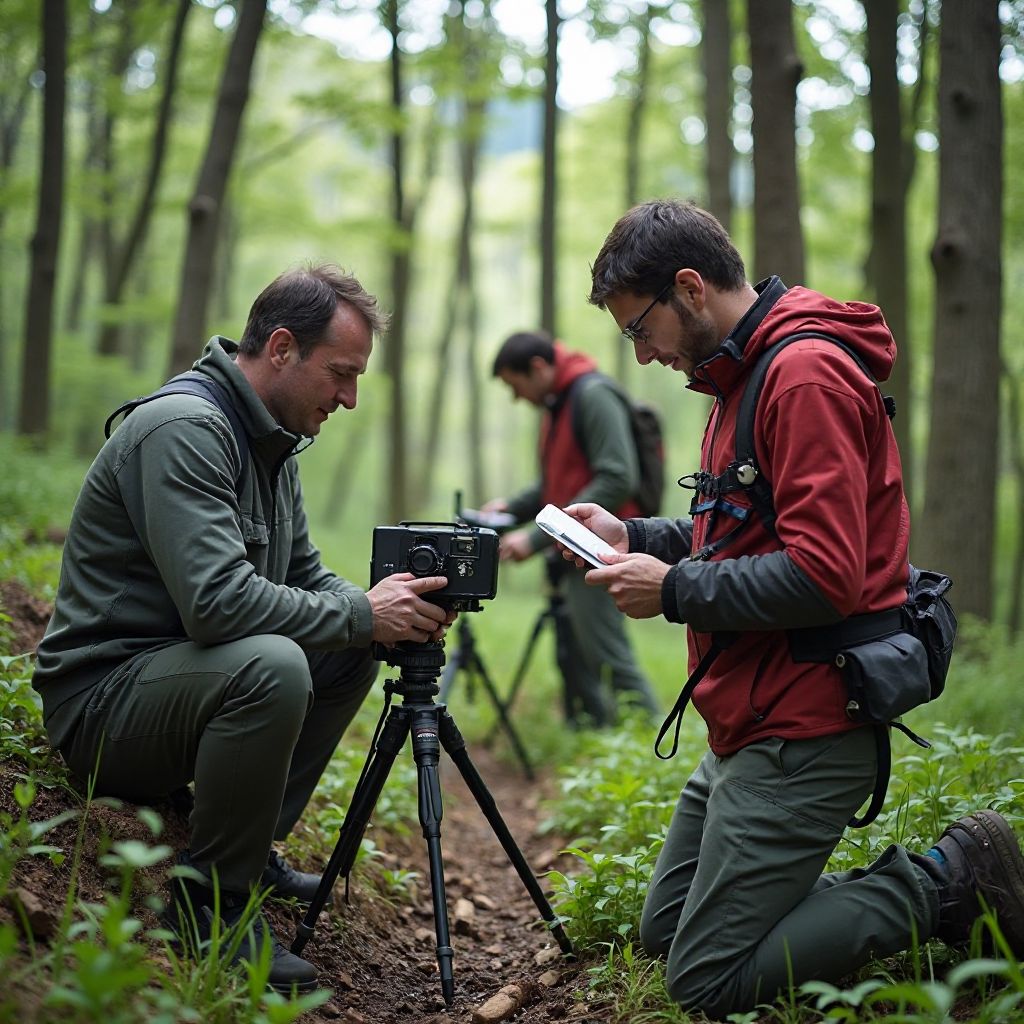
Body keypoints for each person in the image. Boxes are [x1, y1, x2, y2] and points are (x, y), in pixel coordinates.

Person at [557, 199, 1024, 1016]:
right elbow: (738, 531)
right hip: (749, 716)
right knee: (665, 932)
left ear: (690, 288)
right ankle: (796, 911)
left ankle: (948, 880)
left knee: (704, 981)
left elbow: (824, 574)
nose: (643, 353)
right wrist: (634, 534)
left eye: (639, 328)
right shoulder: (739, 378)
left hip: (806, 723)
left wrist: (671, 590)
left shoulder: (802, 376)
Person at [32, 265, 454, 993]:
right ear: (282, 348)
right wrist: (360, 612)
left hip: (181, 683)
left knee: (351, 649)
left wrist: (382, 614)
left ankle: (247, 852)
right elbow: (217, 605)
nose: (349, 399)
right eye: (342, 374)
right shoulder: (184, 429)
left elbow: (306, 575)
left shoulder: (272, 441)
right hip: (103, 709)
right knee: (278, 664)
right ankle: (210, 905)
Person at [483, 330, 657, 728]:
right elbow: (554, 486)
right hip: (573, 549)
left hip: (601, 550)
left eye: (516, 386)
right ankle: (595, 737)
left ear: (538, 367)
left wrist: (534, 538)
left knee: (608, 655)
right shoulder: (559, 404)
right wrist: (511, 508)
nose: (517, 398)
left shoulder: (592, 396)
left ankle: (651, 739)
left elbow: (617, 477)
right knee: (578, 655)